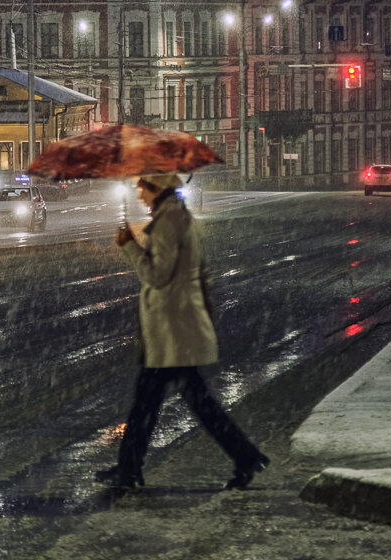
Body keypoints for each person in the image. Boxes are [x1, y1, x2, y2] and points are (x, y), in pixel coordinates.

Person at [94, 172, 269, 491]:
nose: (138, 195)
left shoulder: (169, 222)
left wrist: (129, 247)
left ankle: (242, 456)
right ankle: (130, 467)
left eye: (141, 188)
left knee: (173, 402)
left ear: (155, 187)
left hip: (171, 328)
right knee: (165, 401)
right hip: (174, 326)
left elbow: (157, 275)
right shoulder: (173, 217)